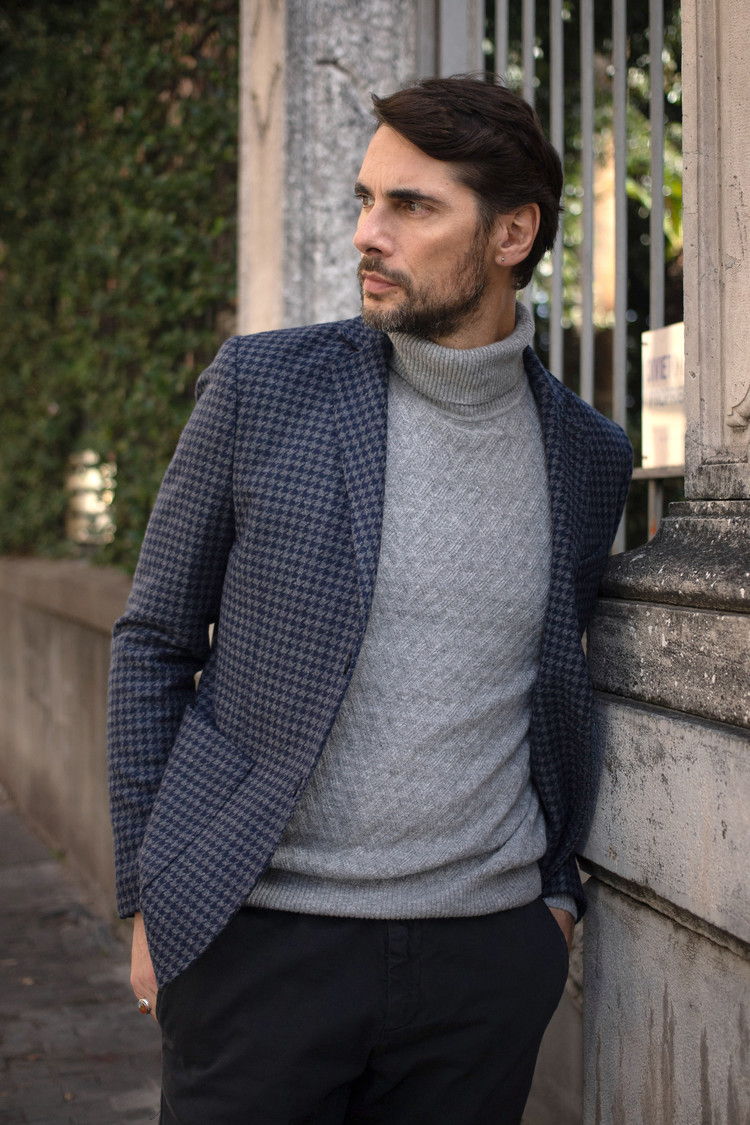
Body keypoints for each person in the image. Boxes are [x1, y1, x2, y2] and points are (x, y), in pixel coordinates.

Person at [108, 74, 632, 1124]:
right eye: (365, 199)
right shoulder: (263, 389)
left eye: (411, 205)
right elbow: (154, 639)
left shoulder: (588, 454)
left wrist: (555, 902)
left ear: (512, 233)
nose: (367, 234)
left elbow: (555, 688)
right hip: (261, 946)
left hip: (482, 963)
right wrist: (149, 893)